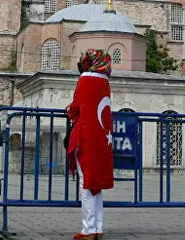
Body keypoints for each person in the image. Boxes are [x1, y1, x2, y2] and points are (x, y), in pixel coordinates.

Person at [66, 49, 115, 240]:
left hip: (86, 137)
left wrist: (69, 110)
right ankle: (98, 228)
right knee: (96, 184)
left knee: (86, 184)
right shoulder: (105, 81)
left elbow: (76, 109)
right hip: (102, 139)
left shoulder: (85, 79)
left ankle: (88, 230)